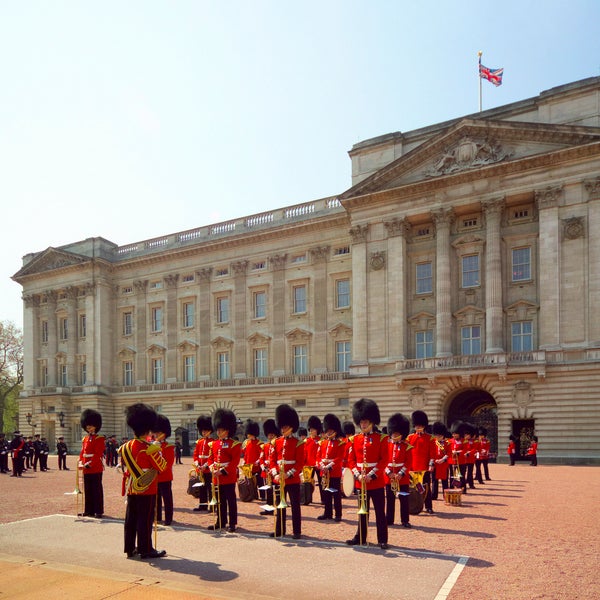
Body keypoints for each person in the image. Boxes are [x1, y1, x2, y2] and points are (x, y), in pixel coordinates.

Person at [119, 403, 167, 559]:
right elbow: (162, 467)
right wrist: (157, 449)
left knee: (131, 519)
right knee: (145, 520)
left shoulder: (126, 446)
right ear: (147, 429)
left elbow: (124, 467)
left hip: (132, 487)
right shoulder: (148, 447)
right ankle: (145, 549)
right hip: (147, 487)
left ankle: (129, 548)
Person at [346, 398, 389, 550]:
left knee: (379, 513)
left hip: (375, 481)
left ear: (372, 422)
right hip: (360, 481)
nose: (363, 425)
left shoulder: (382, 439)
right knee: (362, 511)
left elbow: (384, 460)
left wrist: (372, 475)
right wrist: (358, 474)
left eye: (365, 422)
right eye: (361, 422)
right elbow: (351, 461)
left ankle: (382, 539)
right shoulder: (354, 439)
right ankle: (360, 537)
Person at [269, 403, 305, 539]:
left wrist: (288, 474)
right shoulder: (276, 442)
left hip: (292, 478)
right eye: (282, 426)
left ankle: (297, 531)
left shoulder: (298, 443)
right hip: (279, 478)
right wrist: (275, 474)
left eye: (285, 427)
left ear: (291, 427)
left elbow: (300, 463)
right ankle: (280, 529)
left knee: (295, 505)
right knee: (279, 505)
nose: (283, 429)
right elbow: (272, 460)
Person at [207, 408, 242, 532]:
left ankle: (232, 523)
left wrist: (222, 471)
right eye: (218, 429)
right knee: (219, 501)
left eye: (221, 430)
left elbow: (234, 462)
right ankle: (220, 521)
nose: (218, 432)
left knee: (231, 501)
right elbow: (210, 458)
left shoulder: (234, 444)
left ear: (227, 430)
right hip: (216, 476)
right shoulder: (214, 444)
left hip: (228, 476)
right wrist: (211, 467)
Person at [384, 413, 412, 528]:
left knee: (403, 498)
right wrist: (388, 472)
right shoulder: (386, 445)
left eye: (397, 433)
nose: (395, 435)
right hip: (389, 475)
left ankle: (405, 520)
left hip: (402, 476)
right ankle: (389, 519)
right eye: (393, 433)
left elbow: (408, 461)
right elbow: (382, 460)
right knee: (390, 499)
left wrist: (401, 473)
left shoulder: (407, 446)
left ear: (402, 434)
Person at [316, 413, 345, 522]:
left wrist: (328, 466)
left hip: (334, 472)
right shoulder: (322, 443)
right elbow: (318, 457)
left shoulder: (340, 444)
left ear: (335, 431)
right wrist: (322, 465)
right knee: (326, 493)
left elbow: (339, 458)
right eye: (327, 431)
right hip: (324, 471)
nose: (328, 432)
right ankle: (327, 513)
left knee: (336, 494)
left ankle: (338, 514)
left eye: (330, 431)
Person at [407, 410, 437, 514]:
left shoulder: (430, 438)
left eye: (420, 426)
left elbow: (433, 453)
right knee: (414, 489)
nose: (418, 428)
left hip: (425, 468)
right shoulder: (410, 438)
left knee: (426, 488)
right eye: (416, 426)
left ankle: (428, 506)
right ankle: (415, 506)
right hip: (413, 468)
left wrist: (431, 464)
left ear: (424, 426)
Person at [78, 409, 105, 518]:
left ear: (95, 426)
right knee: (87, 489)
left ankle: (98, 511)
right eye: (87, 426)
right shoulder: (85, 438)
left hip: (95, 467)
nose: (88, 428)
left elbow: (98, 453)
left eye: (90, 426)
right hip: (85, 466)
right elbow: (82, 452)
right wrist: (80, 462)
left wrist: (90, 464)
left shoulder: (99, 438)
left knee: (96, 489)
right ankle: (88, 510)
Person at [155, 415, 175, 525]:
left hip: (165, 476)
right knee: (156, 498)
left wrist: (159, 470)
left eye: (159, 433)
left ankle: (168, 518)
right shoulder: (152, 446)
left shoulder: (168, 447)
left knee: (167, 499)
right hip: (154, 476)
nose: (157, 435)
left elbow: (169, 463)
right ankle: (157, 517)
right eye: (156, 432)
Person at [192, 415, 213, 512]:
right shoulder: (200, 442)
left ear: (210, 430)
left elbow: (212, 456)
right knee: (202, 488)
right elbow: (196, 454)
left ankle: (212, 506)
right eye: (203, 430)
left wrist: (205, 466)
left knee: (210, 488)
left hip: (208, 469)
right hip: (200, 469)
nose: (203, 432)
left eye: (205, 430)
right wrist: (197, 464)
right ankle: (203, 505)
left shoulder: (213, 442)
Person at [258, 418, 278, 514]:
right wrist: (263, 467)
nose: (270, 436)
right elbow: (261, 458)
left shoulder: (278, 445)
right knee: (269, 492)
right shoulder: (265, 446)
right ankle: (269, 509)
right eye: (269, 435)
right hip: (267, 471)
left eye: (272, 435)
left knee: (277, 492)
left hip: (275, 471)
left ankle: (279, 509)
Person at [241, 419, 261, 500]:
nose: (248, 436)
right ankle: (252, 495)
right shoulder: (247, 443)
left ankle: (262, 495)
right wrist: (244, 462)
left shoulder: (259, 443)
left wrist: (258, 462)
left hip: (256, 466)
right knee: (250, 482)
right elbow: (246, 454)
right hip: (248, 466)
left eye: (249, 434)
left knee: (259, 482)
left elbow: (262, 455)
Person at [305, 415, 323, 503]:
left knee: (321, 482)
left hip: (318, 465)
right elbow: (304, 453)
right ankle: (307, 499)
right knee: (308, 483)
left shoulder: (321, 440)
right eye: (310, 429)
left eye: (313, 429)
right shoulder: (306, 441)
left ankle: (323, 499)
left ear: (317, 430)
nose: (311, 431)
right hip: (308, 465)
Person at [431, 422, 450, 500]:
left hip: (443, 464)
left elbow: (449, 453)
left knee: (444, 481)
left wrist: (442, 459)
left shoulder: (447, 443)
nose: (438, 437)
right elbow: (431, 453)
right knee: (434, 481)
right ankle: (434, 495)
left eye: (440, 435)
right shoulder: (433, 443)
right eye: (436, 435)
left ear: (443, 435)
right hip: (435, 464)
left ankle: (446, 496)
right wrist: (434, 461)